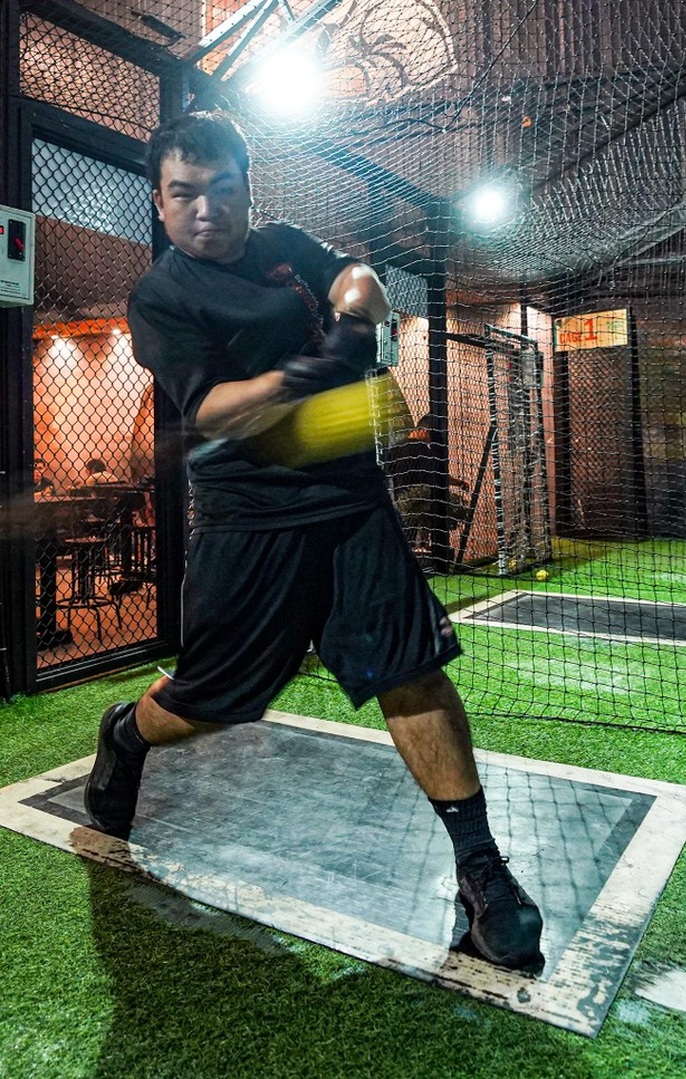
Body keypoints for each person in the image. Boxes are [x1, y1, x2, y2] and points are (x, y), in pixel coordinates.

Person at [84, 111, 543, 973]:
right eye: (184, 194)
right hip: (248, 517)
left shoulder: (287, 244)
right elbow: (213, 407)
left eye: (223, 189)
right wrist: (317, 369)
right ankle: (129, 735)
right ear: (160, 200)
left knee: (409, 666)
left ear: (249, 189)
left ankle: (482, 875)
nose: (206, 209)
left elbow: (358, 278)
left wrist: (359, 294)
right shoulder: (164, 294)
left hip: (347, 499)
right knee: (216, 698)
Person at [386, 415, 469, 552]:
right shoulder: (423, 450)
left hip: (399, 499)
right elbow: (439, 476)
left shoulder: (395, 448)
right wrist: (459, 483)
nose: (431, 440)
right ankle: (423, 544)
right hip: (419, 501)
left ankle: (419, 545)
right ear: (425, 431)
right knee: (445, 504)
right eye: (432, 435)